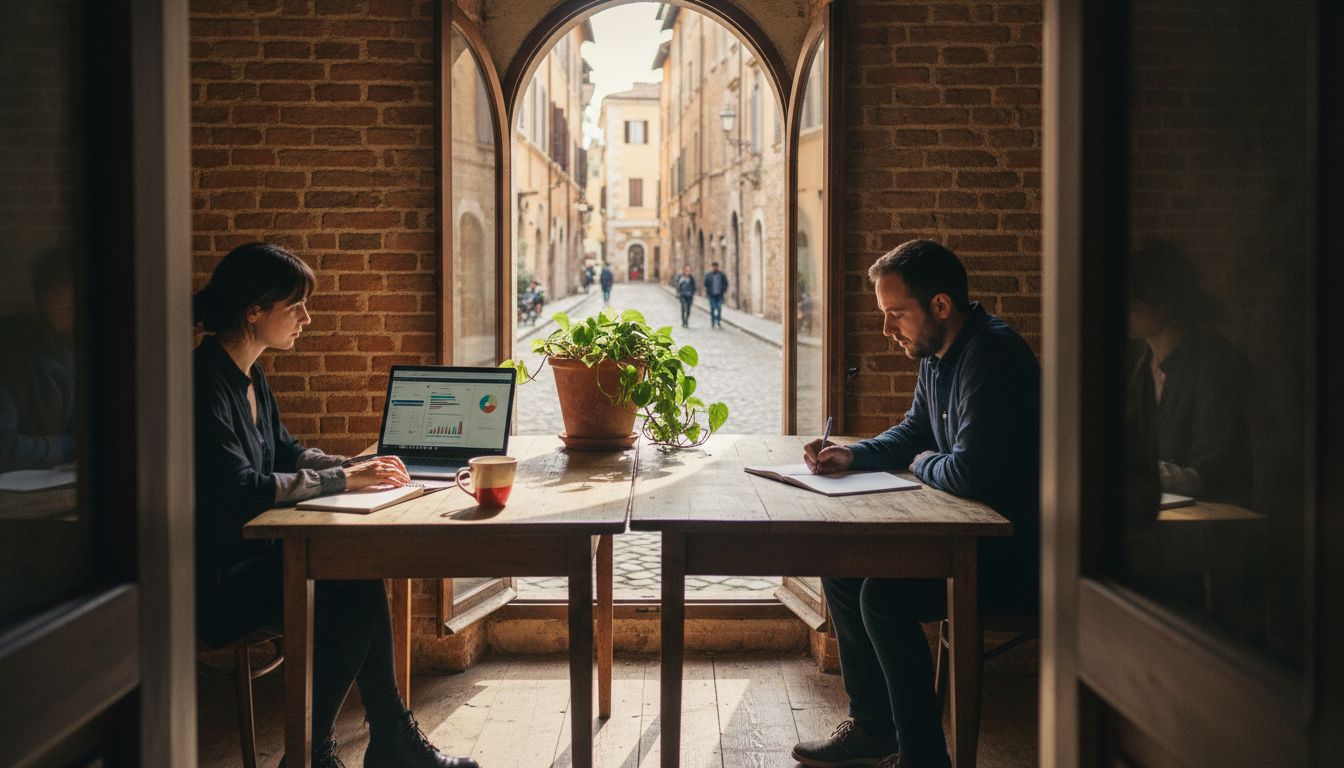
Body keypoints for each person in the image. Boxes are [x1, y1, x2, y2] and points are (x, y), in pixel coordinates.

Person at [193, 242, 477, 768]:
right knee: (350, 586)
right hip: (214, 581)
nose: (307, 317)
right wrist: (346, 476)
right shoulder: (203, 383)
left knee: (355, 575)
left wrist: (357, 465)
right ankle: (346, 747)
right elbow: (243, 487)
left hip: (253, 559)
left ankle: (344, 747)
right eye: (295, 305)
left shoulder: (251, 374)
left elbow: (288, 452)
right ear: (253, 311)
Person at [796, 239, 1039, 768]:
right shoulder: (937, 352)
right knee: (842, 568)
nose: (887, 330)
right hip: (966, 537)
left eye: (894, 315)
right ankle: (874, 729)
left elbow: (970, 473)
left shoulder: (991, 356)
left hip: (1016, 553)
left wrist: (925, 460)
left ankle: (922, 757)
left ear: (941, 306)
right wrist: (853, 455)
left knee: (884, 598)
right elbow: (915, 433)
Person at [1127, 242, 1252, 505]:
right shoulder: (1141, 365)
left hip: (1210, 523)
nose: (1126, 305)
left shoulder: (1218, 365)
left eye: (1135, 298)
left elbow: (1216, 467)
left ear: (1164, 300)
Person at [0, 253, 76, 471]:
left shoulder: (93, 348)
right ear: (41, 302)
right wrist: (70, 446)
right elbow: (4, 448)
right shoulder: (10, 350)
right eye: (70, 308)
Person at [703, 261, 728, 328]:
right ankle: (713, 321)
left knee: (719, 308)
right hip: (712, 295)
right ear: (712, 267)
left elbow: (725, 283)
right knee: (712, 308)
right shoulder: (709, 275)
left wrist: (724, 290)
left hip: (719, 295)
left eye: (716, 266)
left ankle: (718, 320)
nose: (715, 268)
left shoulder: (721, 275)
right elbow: (705, 284)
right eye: (714, 266)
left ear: (717, 267)